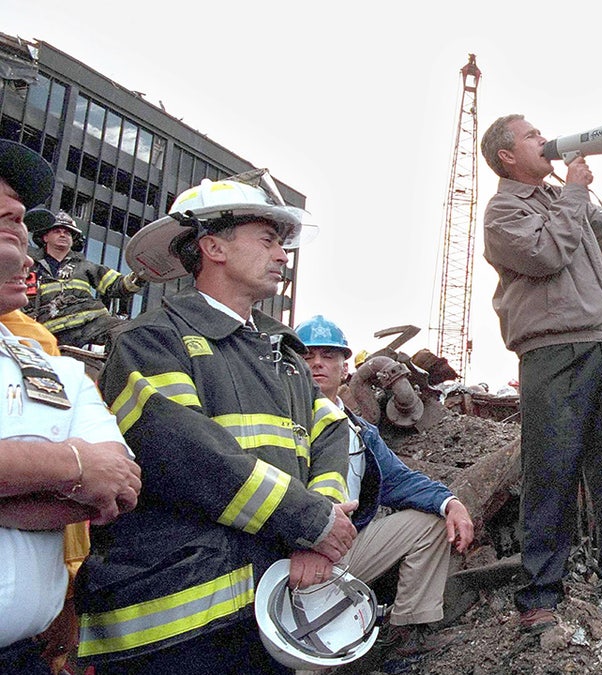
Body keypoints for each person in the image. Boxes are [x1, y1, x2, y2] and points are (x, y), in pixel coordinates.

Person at [75, 175, 356, 674]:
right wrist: (311, 523)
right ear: (213, 247)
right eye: (267, 240)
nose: (282, 256)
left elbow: (332, 431)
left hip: (269, 601)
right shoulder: (150, 340)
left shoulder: (283, 352)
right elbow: (185, 453)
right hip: (176, 620)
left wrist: (322, 518)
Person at [480, 113, 602, 633]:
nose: (545, 139)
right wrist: (575, 193)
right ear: (507, 156)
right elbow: (545, 254)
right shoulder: (502, 211)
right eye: (532, 136)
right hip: (551, 355)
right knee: (551, 473)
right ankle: (540, 595)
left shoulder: (562, 200)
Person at [0, 139, 141, 674]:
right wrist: (74, 464)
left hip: (21, 655)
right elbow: (92, 472)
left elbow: (116, 486)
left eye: (32, 225)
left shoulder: (49, 362)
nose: (32, 235)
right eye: (7, 217)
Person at [296, 315, 475, 658]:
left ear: (345, 369)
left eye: (328, 356)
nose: (318, 363)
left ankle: (403, 636)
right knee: (302, 659)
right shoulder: (278, 421)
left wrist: (452, 502)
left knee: (432, 523)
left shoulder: (359, 431)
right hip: (290, 558)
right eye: (308, 355)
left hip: (342, 551)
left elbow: (400, 479)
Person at [28, 210, 143, 348]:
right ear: (45, 237)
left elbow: (118, 286)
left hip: (93, 323)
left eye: (68, 233)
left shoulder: (86, 267)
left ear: (73, 240)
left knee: (132, 334)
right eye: (57, 231)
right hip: (51, 334)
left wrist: (142, 273)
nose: (63, 234)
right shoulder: (30, 269)